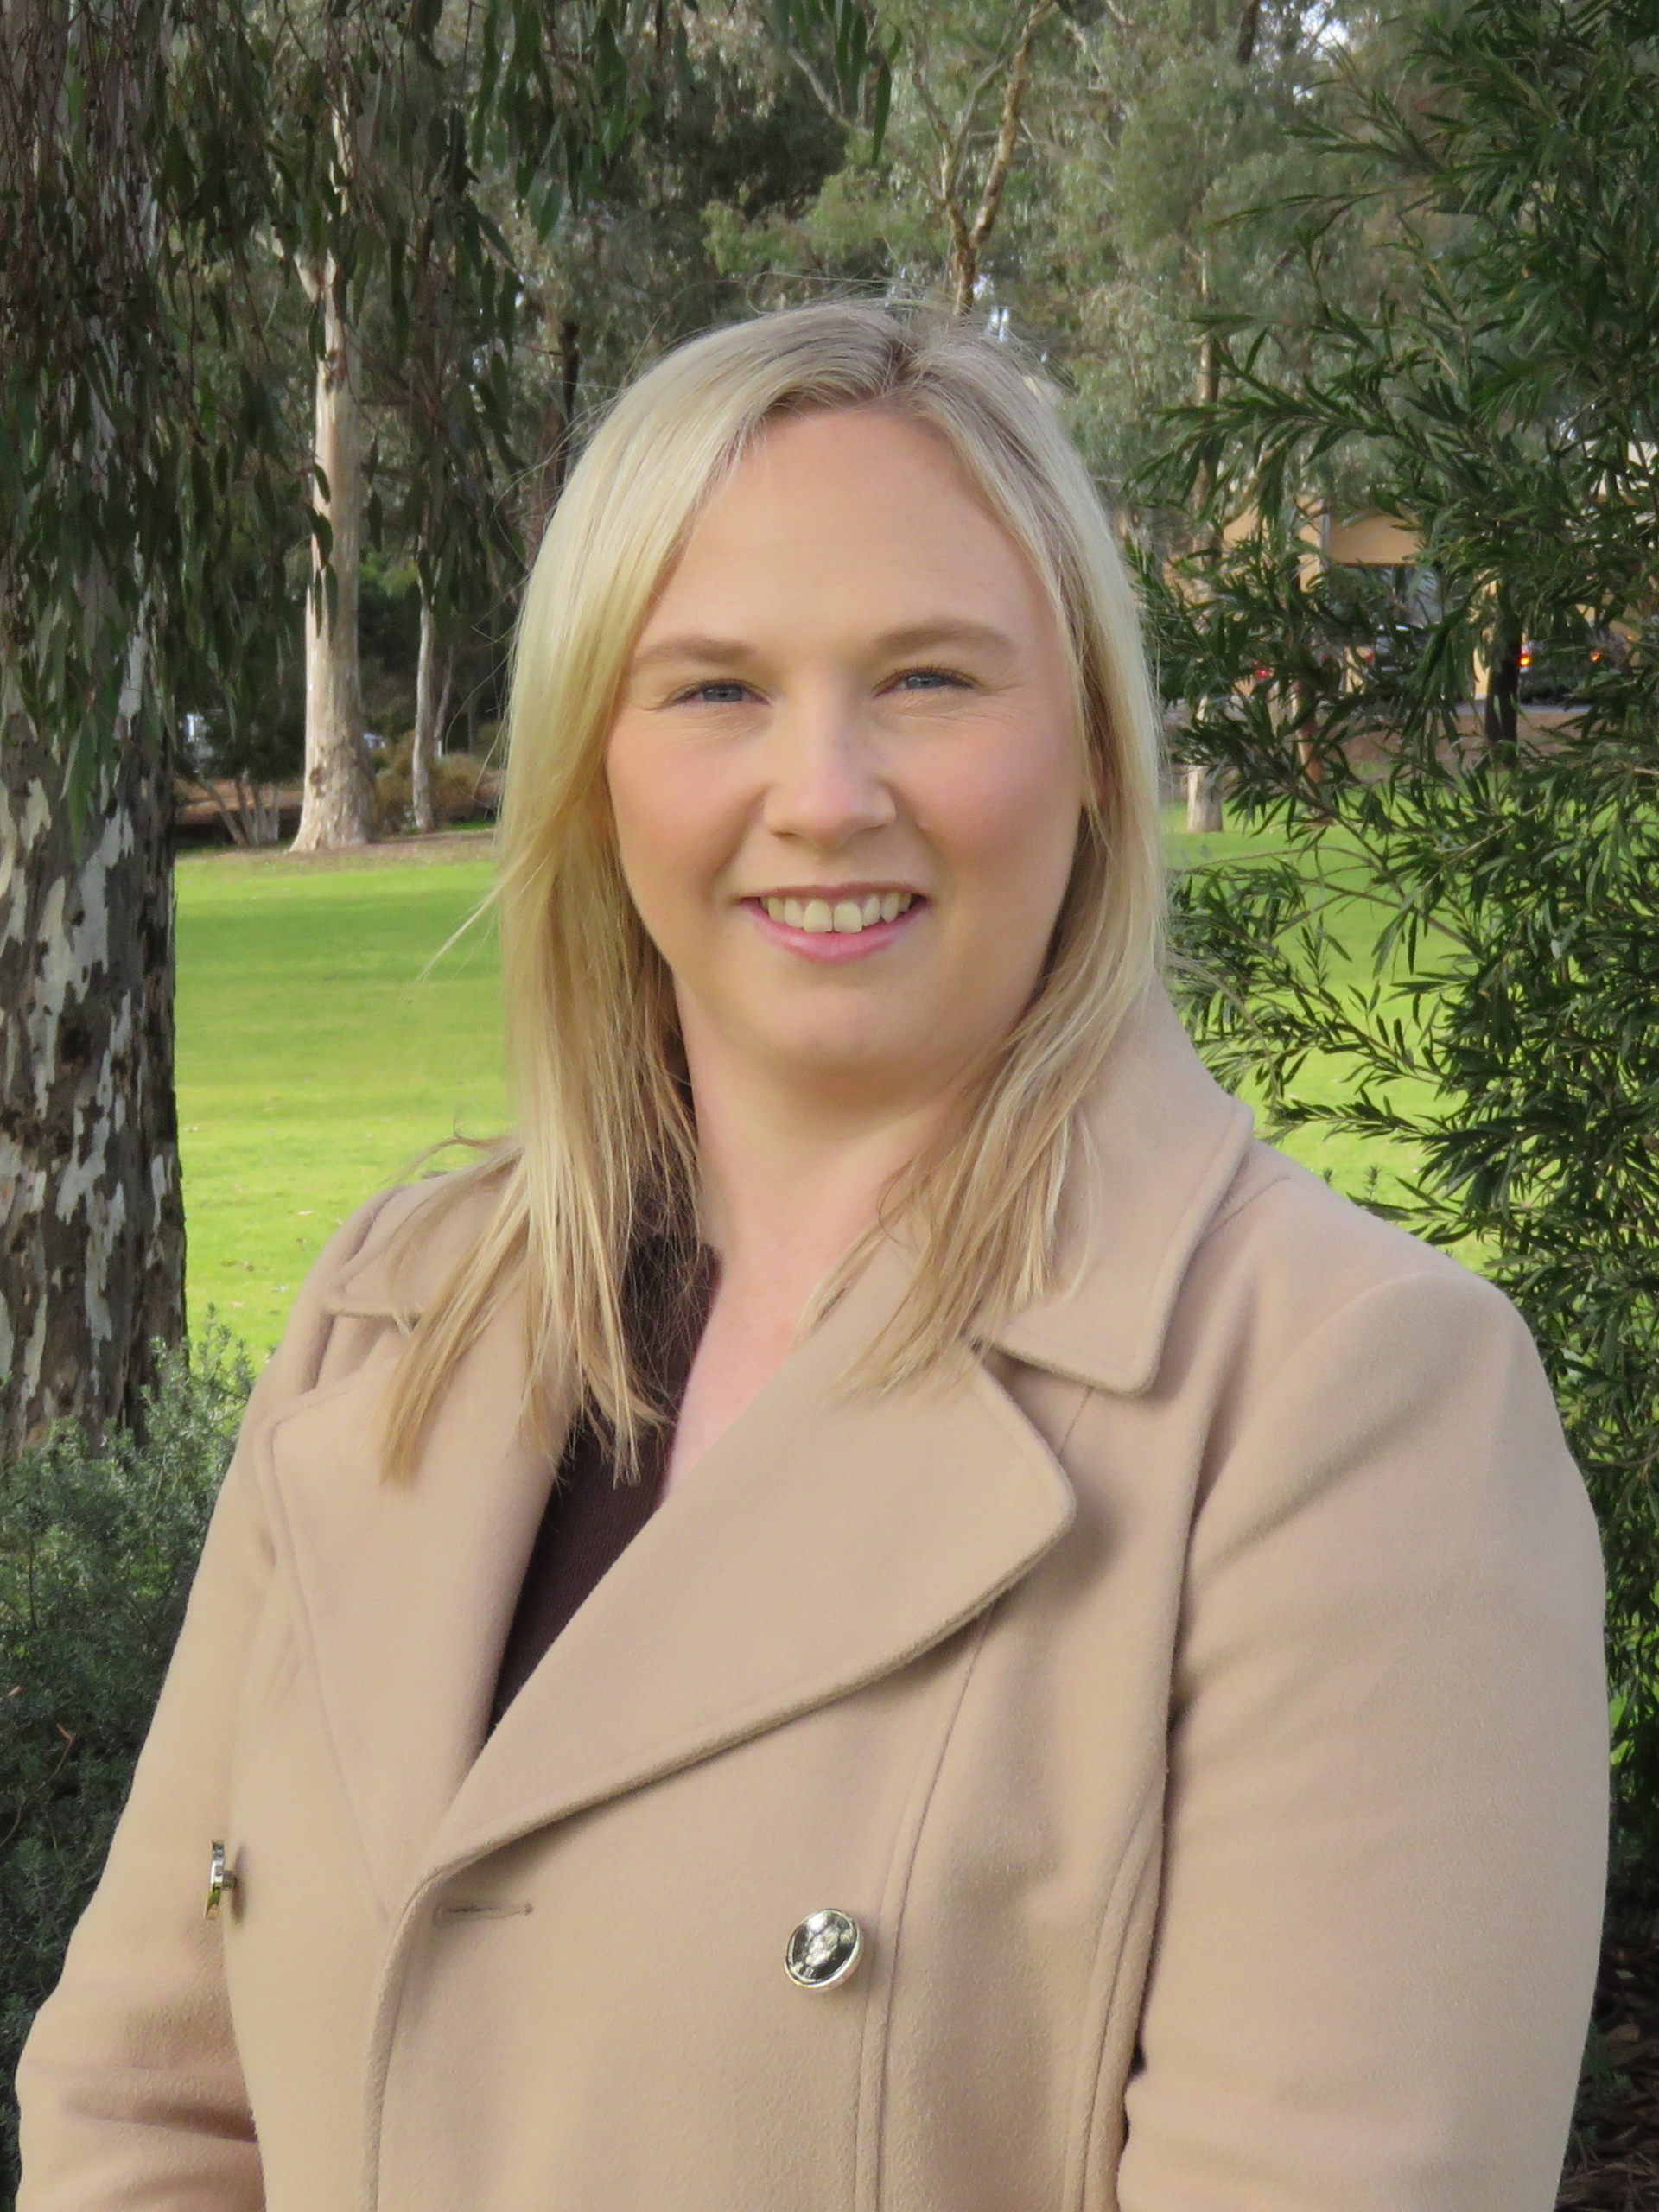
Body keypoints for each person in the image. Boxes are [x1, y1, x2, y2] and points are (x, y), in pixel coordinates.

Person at [17, 302, 1606, 2212]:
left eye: (928, 678)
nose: (828, 792)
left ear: (1096, 751)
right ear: (593, 767)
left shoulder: (1350, 1406)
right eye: (713, 690)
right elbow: (142, 2115)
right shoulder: (395, 1315)